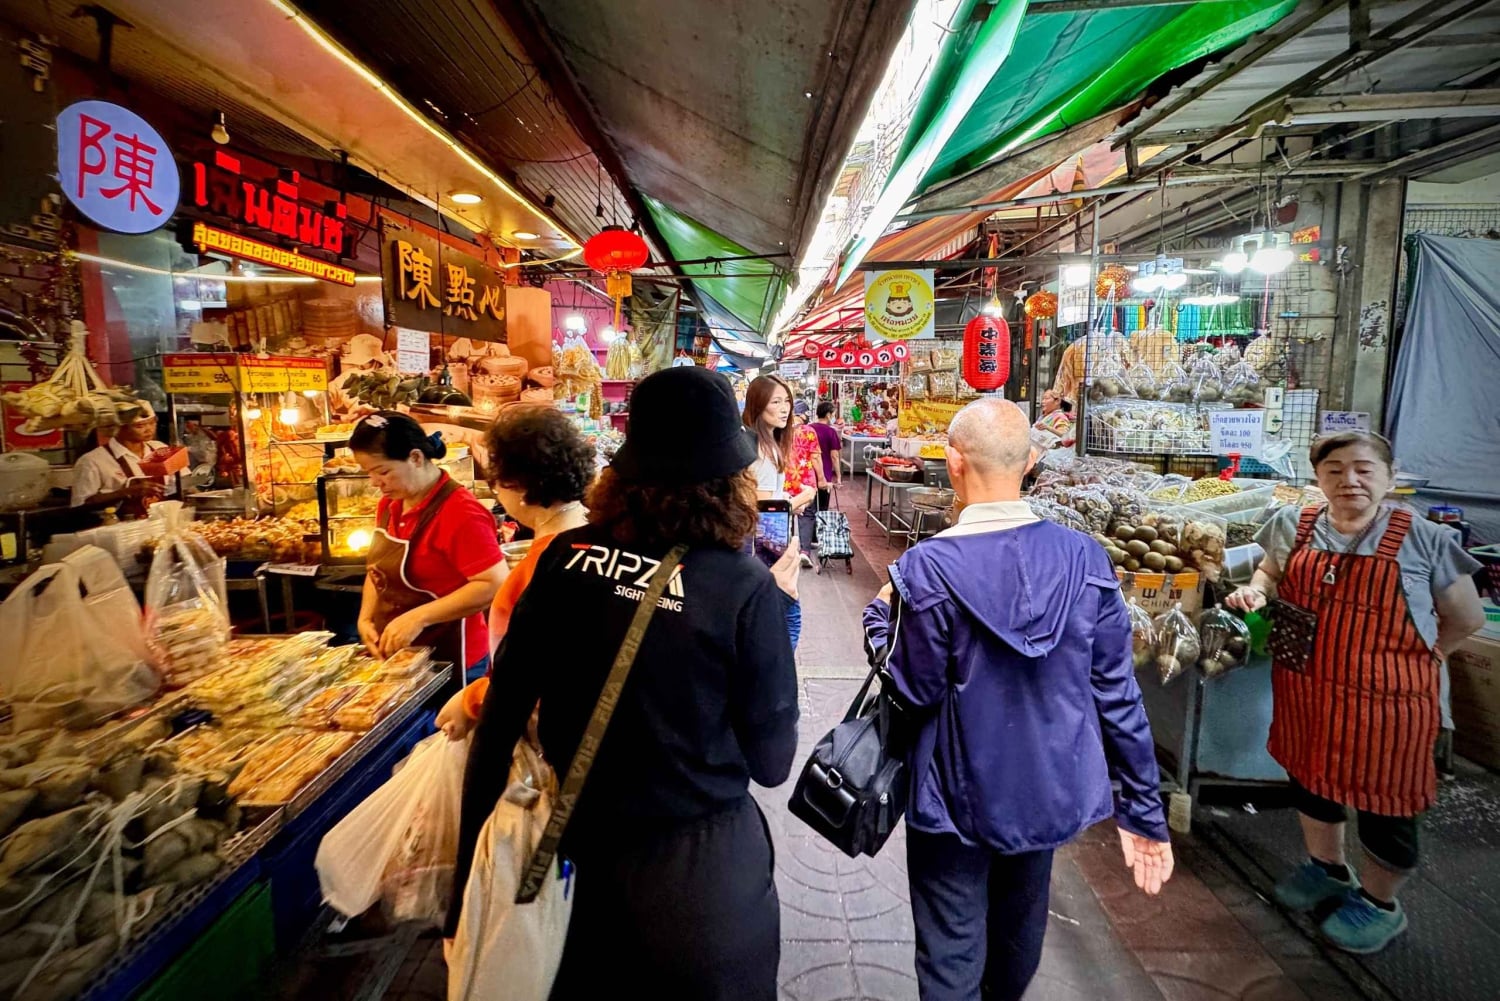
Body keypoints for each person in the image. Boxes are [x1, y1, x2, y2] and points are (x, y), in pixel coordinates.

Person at [446, 366, 799, 998]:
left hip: (575, 867)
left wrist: (459, 898)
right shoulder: (745, 590)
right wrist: (783, 617)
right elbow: (773, 763)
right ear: (731, 481)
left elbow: (497, 726)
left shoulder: (563, 557)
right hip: (702, 885)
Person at [863, 397, 1172, 1001]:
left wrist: (880, 621)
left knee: (951, 955)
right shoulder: (1085, 559)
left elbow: (914, 688)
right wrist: (1143, 811)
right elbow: (1117, 693)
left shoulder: (926, 568)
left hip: (951, 800)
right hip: (1047, 792)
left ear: (952, 462)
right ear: (1031, 461)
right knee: (1016, 943)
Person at [1226, 431, 1485, 953]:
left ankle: (1380, 904)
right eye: (1335, 469)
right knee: (1311, 780)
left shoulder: (1424, 538)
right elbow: (1270, 569)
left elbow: (1465, 618)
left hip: (1391, 703)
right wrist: (1256, 588)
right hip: (1308, 688)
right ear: (1318, 477)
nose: (1350, 480)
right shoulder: (1293, 524)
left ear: (1390, 476)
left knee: (1387, 801)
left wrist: (1426, 660)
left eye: (1364, 469)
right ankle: (1328, 868)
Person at [435, 406, 597, 741]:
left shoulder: (542, 567)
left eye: (495, 484)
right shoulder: (596, 533)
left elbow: (539, 677)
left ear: (517, 485)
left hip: (542, 736)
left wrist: (473, 700)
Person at [350, 412, 505, 678]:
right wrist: (366, 617)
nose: (375, 483)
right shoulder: (390, 505)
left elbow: (493, 583)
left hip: (455, 660)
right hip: (401, 654)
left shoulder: (461, 512)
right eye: (369, 474)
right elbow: (377, 571)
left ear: (416, 458)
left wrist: (418, 617)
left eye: (383, 471)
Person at [744, 375, 812, 647]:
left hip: (769, 545)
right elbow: (762, 509)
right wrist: (800, 499)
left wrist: (786, 499)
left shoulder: (769, 444)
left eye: (787, 401)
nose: (785, 409)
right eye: (776, 402)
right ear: (758, 405)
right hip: (765, 547)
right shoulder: (762, 450)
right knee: (787, 619)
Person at [70, 403, 174, 515]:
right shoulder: (92, 461)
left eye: (152, 423)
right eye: (140, 426)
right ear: (117, 428)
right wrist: (124, 493)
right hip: (118, 526)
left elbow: (182, 482)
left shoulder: (160, 448)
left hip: (161, 521)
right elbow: (80, 505)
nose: (149, 430)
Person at [788, 407, 826, 563]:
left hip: (787, 479)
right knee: (807, 515)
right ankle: (804, 550)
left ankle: (787, 550)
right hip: (806, 482)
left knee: (787, 511)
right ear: (802, 415)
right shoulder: (809, 431)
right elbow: (815, 458)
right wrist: (822, 479)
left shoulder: (782, 430)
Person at [812, 400, 842, 505]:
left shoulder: (808, 428)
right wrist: (838, 476)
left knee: (808, 508)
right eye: (833, 414)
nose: (834, 417)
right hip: (824, 473)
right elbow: (834, 456)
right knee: (822, 507)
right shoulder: (831, 432)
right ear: (828, 415)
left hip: (808, 472)